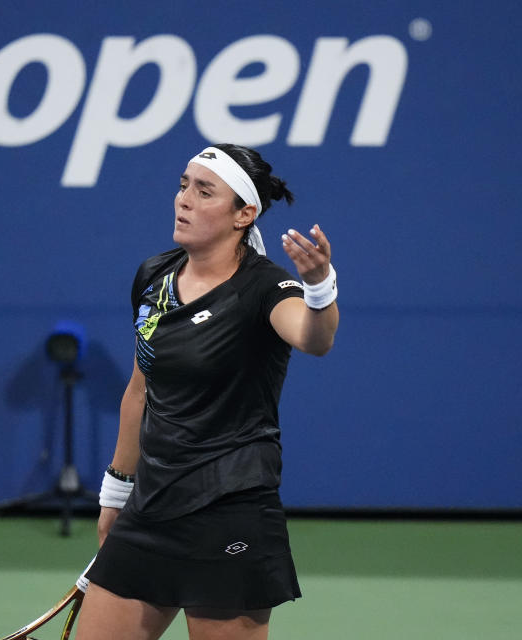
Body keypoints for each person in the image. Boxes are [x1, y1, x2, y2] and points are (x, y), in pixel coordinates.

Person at [73, 143, 339, 640]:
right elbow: (140, 388)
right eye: (182, 186)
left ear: (244, 214)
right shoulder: (154, 277)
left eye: (203, 191)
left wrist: (321, 286)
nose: (184, 200)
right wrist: (116, 492)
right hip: (150, 509)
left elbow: (313, 338)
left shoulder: (265, 288)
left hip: (229, 512)